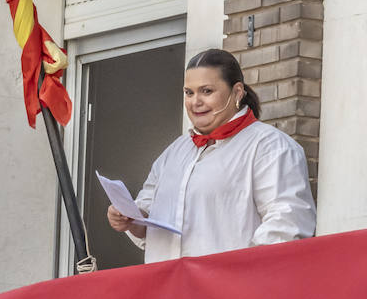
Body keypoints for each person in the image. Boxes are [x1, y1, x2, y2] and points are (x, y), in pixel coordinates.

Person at [107, 49, 316, 263]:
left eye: (206, 91)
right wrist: (131, 219)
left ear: (236, 92)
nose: (195, 101)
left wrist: (235, 277)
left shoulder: (270, 147)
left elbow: (287, 225)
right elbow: (148, 216)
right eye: (189, 93)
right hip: (168, 289)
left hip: (230, 291)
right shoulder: (174, 152)